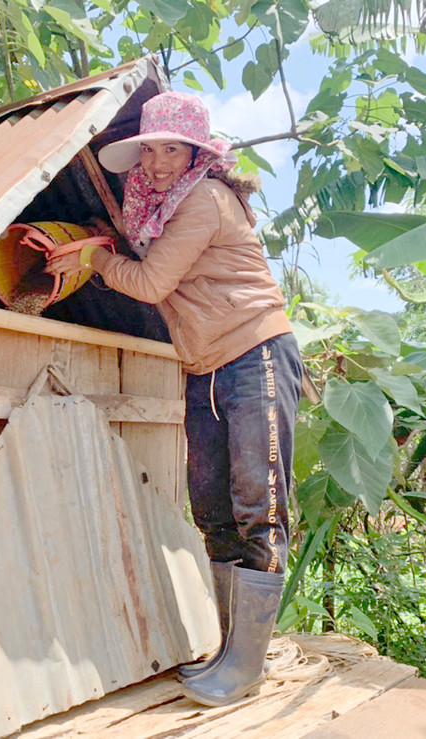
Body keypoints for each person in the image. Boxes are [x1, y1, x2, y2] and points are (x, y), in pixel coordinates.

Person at [45, 91, 303, 707]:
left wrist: (99, 258)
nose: (157, 162)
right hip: (205, 365)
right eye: (149, 150)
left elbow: (151, 279)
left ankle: (246, 669)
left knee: (256, 507)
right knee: (212, 508)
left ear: (196, 154)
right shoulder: (152, 208)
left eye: (171, 149)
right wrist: (95, 245)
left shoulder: (207, 200)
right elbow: (133, 253)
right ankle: (228, 651)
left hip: (256, 355)